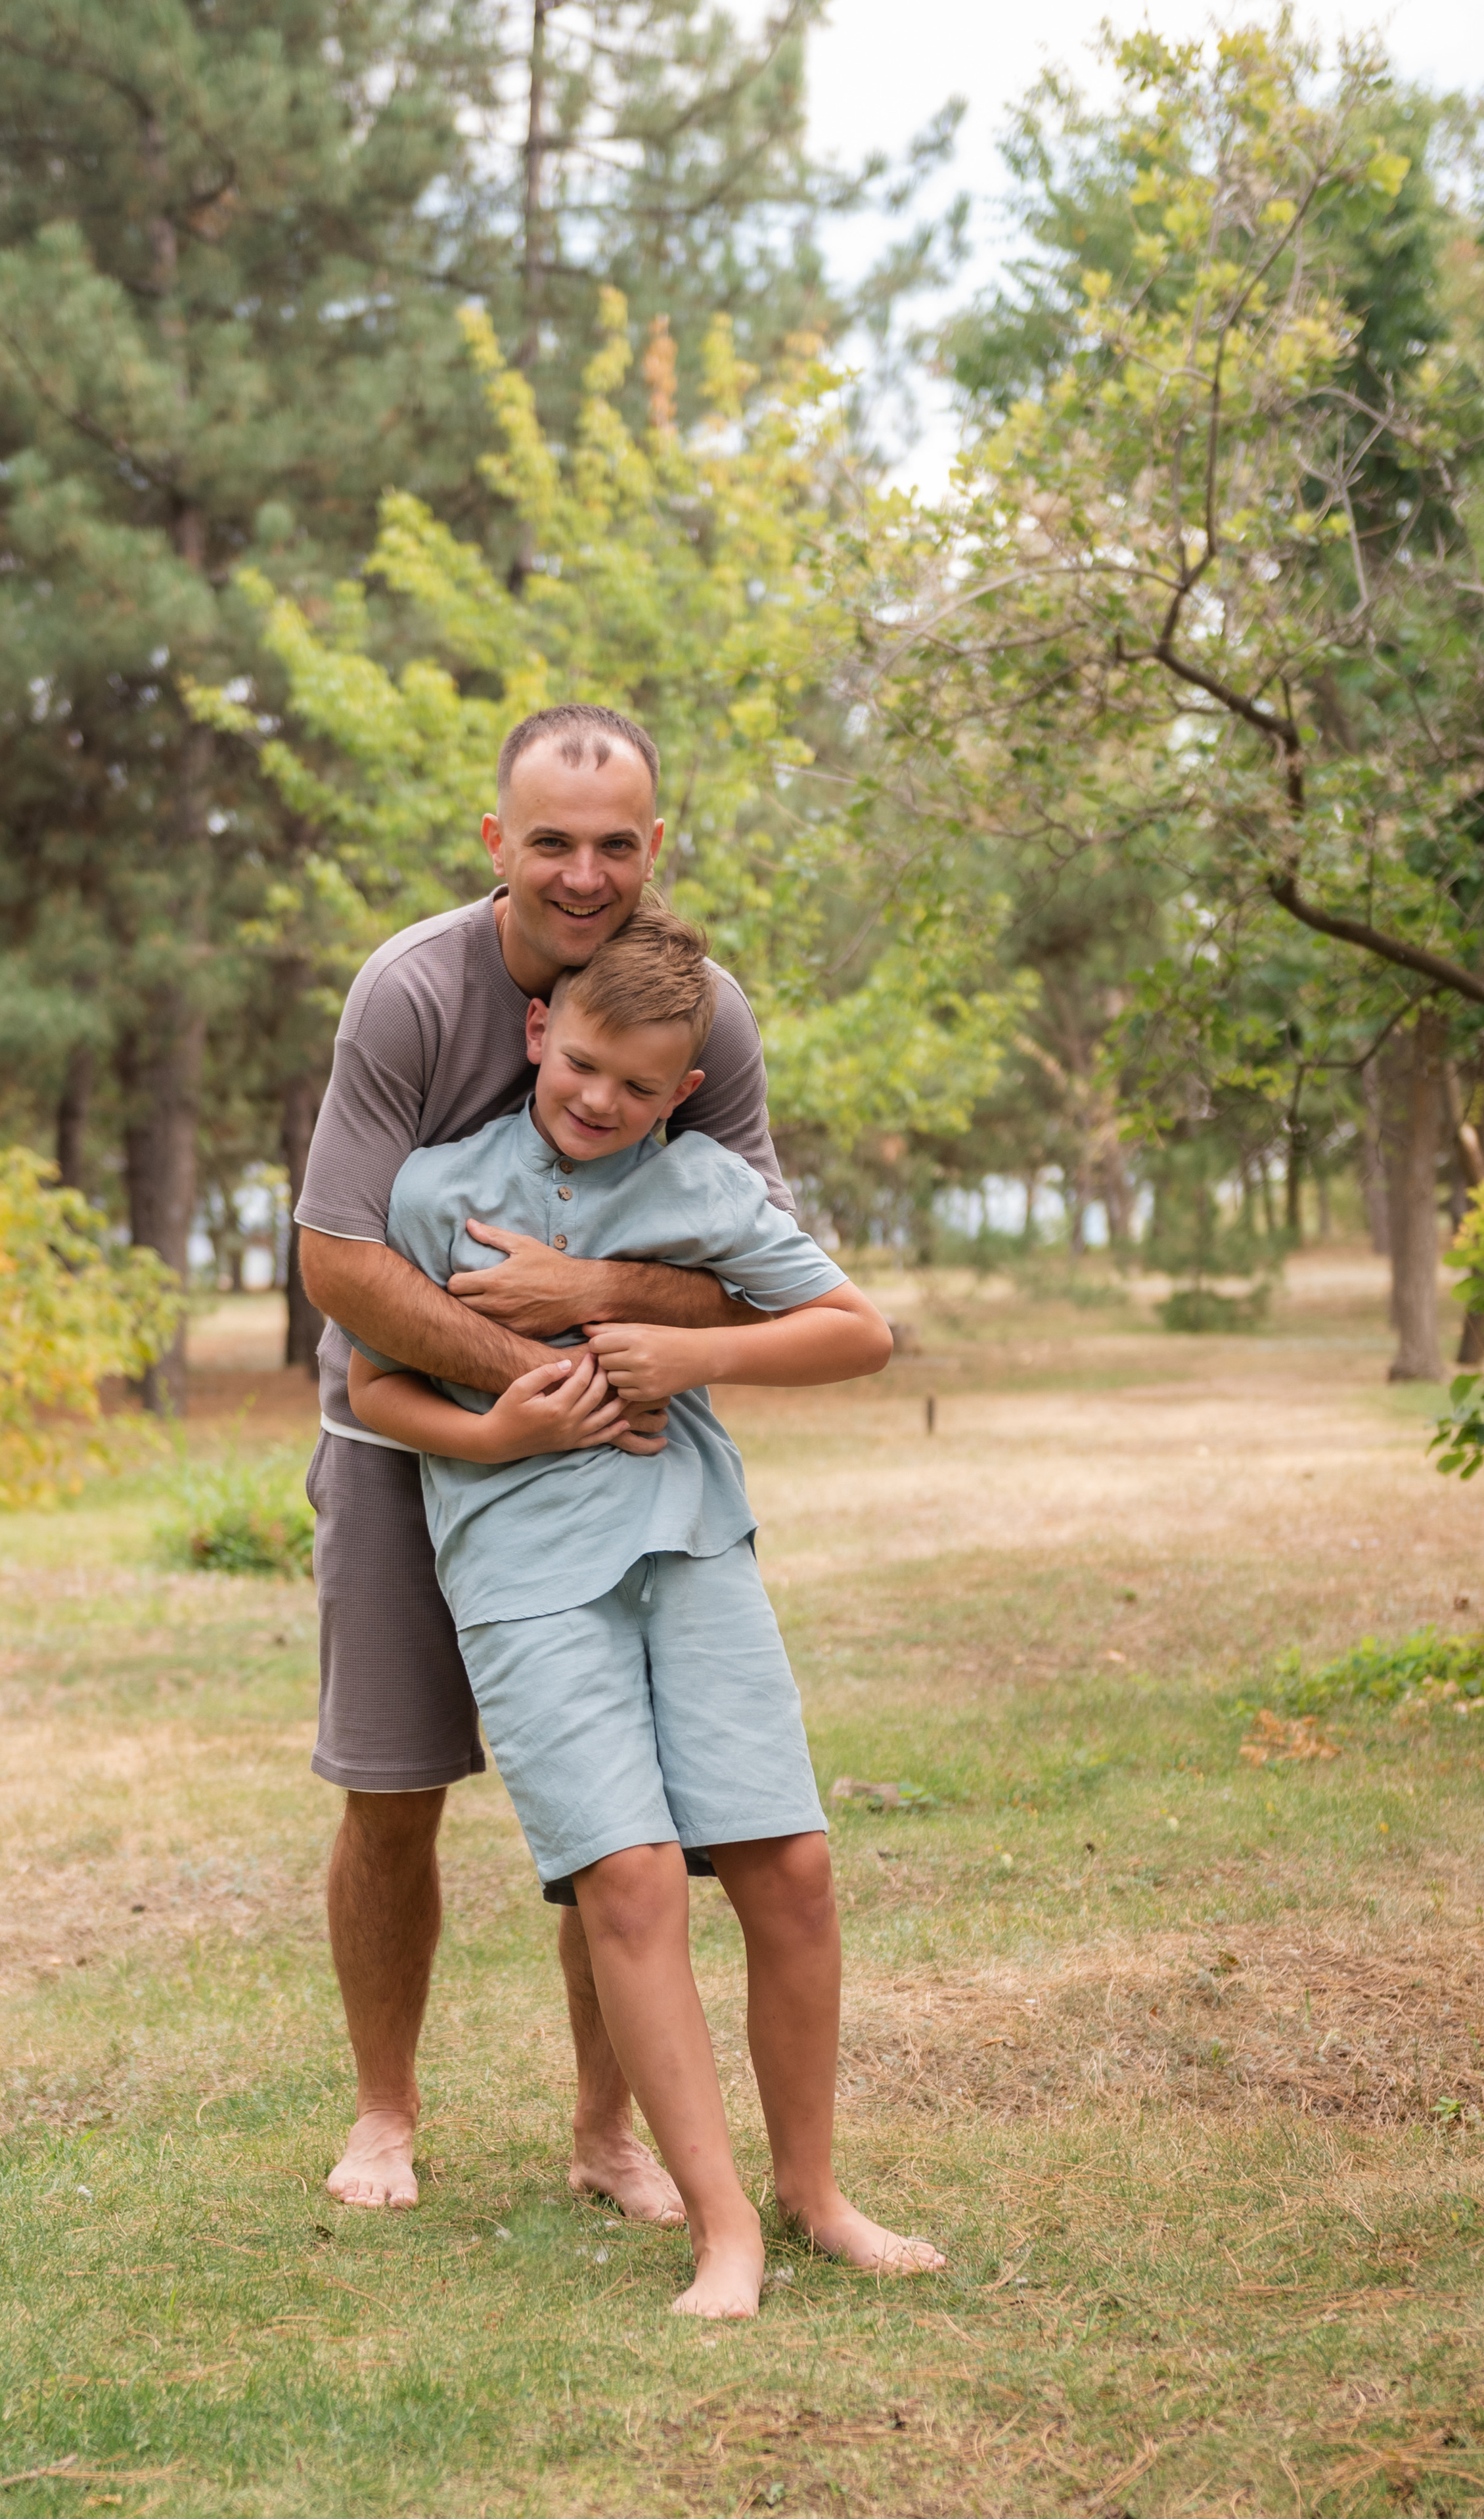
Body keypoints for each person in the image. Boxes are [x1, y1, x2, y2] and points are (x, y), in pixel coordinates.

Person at [344, 905, 945, 2317]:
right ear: (539, 1034)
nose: (598, 1101)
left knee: (786, 1865)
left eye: (637, 1085)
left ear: (682, 1089)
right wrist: (493, 1434)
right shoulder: (434, 1192)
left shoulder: (709, 1191)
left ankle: (813, 2193)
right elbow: (373, 1387)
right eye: (581, 1065)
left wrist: (681, 1343)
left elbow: (856, 1330)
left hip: (690, 1544)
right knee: (625, 1879)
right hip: (521, 1573)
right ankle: (720, 2231)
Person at [295, 702, 800, 2217]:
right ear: (495, 844)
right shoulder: (408, 993)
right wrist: (528, 1384)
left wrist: (589, 1304)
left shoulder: (698, 1010)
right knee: (392, 1787)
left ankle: (607, 2134)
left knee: (622, 1808)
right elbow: (336, 1260)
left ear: (659, 844)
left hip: (618, 1452)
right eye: (551, 842)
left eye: (615, 843)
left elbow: (747, 1274)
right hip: (402, 1426)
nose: (584, 873)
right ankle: (384, 2113)